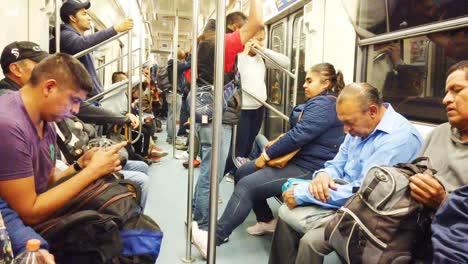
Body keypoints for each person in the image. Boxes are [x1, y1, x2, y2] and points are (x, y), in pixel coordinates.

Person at [191, 63, 346, 258]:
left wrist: (266, 156)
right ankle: (266, 220)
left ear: (326, 83)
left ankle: (213, 239)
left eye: (309, 80)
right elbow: (300, 132)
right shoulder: (319, 101)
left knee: (247, 185)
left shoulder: (325, 104)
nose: (304, 85)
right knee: (242, 172)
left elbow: (299, 135)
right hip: (301, 159)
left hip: (311, 167)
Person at [269, 82, 424, 264]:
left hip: (371, 214)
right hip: (345, 198)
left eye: (349, 123)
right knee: (286, 212)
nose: (345, 130)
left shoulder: (398, 140)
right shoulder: (358, 129)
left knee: (311, 242)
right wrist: (323, 175)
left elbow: (365, 194)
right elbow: (337, 163)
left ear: (372, 111)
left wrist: (306, 194)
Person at [0, 53, 127, 225]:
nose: (75, 110)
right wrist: (92, 171)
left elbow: (47, 183)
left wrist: (80, 165)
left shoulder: (47, 120)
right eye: (73, 100)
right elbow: (28, 214)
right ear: (49, 87)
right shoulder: (8, 125)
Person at [191, 0, 264, 254]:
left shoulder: (206, 42)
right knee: (212, 172)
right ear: (233, 28)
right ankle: (201, 227)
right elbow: (257, 23)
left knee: (208, 165)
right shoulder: (221, 43)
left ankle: (196, 215)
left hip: (204, 106)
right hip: (216, 111)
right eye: (242, 33)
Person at [408, 60, 468, 263]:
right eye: (446, 92)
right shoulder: (438, 133)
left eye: (456, 90)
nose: (445, 100)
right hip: (412, 233)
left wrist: (443, 202)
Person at [223, 27, 291, 177]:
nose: (257, 42)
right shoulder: (238, 57)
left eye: (261, 39)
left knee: (248, 146)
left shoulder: (262, 57)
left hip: (259, 107)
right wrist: (245, 51)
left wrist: (263, 50)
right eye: (254, 38)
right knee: (237, 149)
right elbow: (239, 74)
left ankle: (238, 173)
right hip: (243, 109)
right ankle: (226, 174)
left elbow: (285, 63)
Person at [59, 0, 133, 98]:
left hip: (90, 97)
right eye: (84, 14)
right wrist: (115, 29)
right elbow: (80, 43)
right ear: (72, 18)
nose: (89, 18)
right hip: (81, 99)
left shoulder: (76, 37)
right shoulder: (65, 35)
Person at [166, 49, 191, 143]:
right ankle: (172, 138)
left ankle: (170, 137)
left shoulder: (172, 65)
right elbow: (189, 65)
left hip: (171, 93)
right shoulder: (177, 64)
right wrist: (191, 55)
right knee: (174, 117)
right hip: (175, 93)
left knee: (170, 116)